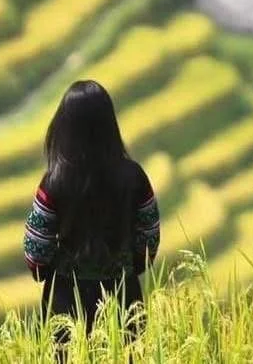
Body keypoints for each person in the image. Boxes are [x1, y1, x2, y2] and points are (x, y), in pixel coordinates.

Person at [23, 80, 161, 360]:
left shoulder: (54, 182)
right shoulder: (134, 177)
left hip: (65, 302)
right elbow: (149, 238)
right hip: (123, 298)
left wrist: (47, 272)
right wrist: (129, 267)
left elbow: (35, 252)